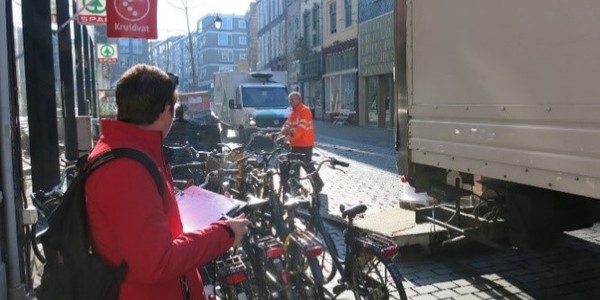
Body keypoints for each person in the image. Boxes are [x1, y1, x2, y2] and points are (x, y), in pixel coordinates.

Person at [85, 64, 249, 299]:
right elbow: (156, 262)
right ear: (164, 111)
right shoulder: (126, 169)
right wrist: (224, 233)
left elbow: (145, 221)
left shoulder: (129, 152)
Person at [280, 91, 324, 194]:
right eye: (289, 100)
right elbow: (286, 126)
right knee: (294, 166)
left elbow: (300, 129)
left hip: (304, 144)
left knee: (307, 166)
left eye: (293, 99)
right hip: (295, 144)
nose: (290, 101)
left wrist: (289, 135)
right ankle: (295, 185)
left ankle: (318, 183)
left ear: (299, 99)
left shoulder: (304, 111)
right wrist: (283, 131)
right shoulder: (294, 112)